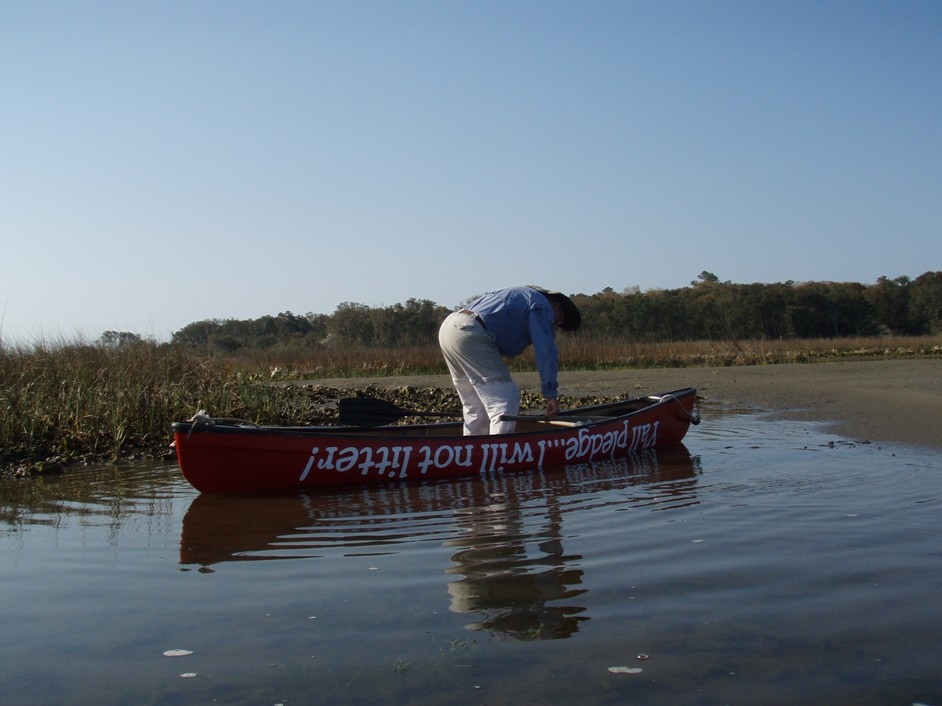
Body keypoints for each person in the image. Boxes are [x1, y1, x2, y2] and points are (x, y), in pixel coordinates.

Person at [438, 285, 581, 436]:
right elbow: (545, 351)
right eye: (557, 321)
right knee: (505, 398)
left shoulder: (522, 295)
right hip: (471, 331)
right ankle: (498, 451)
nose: (553, 325)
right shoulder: (542, 306)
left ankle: (471, 450)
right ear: (556, 306)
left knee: (475, 407)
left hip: (449, 328)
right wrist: (550, 393)